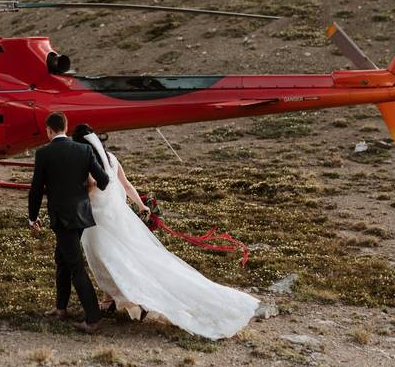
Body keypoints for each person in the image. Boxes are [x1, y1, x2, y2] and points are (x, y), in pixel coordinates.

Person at [72, 123, 258, 339]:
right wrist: (141, 206)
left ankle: (137, 300)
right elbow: (126, 184)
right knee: (120, 257)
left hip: (99, 218)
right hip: (119, 216)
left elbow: (93, 185)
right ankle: (109, 300)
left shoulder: (86, 161)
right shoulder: (111, 158)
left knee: (107, 259)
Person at [28, 112, 110, 333]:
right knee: (62, 260)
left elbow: (36, 189)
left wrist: (32, 217)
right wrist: (82, 188)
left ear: (49, 130)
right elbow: (103, 180)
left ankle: (93, 319)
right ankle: (61, 308)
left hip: (62, 218)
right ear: (65, 127)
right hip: (81, 215)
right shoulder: (83, 150)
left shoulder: (44, 153)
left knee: (75, 266)